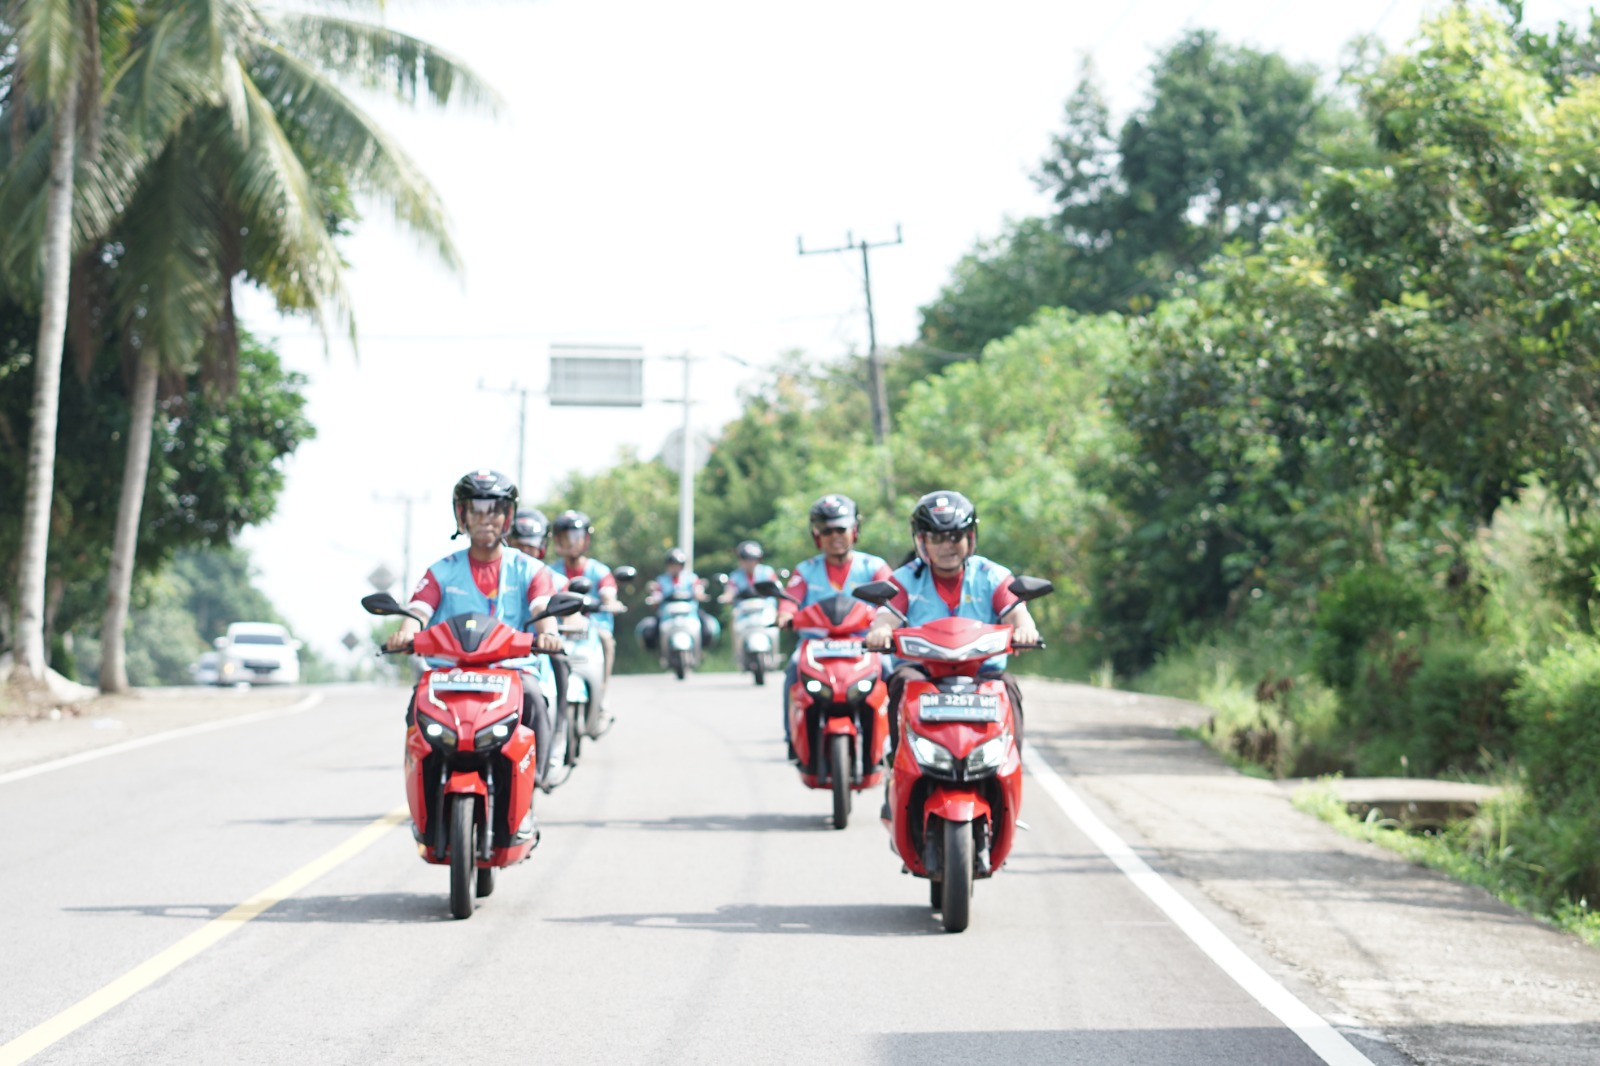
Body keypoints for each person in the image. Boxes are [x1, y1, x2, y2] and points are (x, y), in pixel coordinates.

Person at [387, 471, 565, 786]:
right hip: (450, 675)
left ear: (507, 516)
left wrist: (548, 634)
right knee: (418, 702)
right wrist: (405, 632)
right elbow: (418, 610)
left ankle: (532, 790)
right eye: (476, 509)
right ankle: (421, 785)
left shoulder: (530, 569)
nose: (486, 518)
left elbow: (542, 609)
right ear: (462, 516)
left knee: (535, 699)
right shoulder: (441, 571)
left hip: (513, 673)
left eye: (494, 509)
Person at [864, 490, 1041, 758]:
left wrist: (1026, 629)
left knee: (1007, 686)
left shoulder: (992, 575)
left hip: (982, 672)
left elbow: (1016, 611)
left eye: (955, 536)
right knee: (901, 680)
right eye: (937, 538)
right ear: (922, 541)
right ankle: (899, 761)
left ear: (969, 538)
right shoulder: (905, 578)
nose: (948, 545)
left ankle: (1008, 764)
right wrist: (880, 631)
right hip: (923, 673)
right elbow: (886, 616)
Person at [777, 494, 893, 756]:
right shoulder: (805, 570)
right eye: (826, 531)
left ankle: (893, 740)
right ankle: (792, 739)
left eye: (840, 529)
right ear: (817, 535)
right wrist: (785, 614)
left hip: (865, 644)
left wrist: (883, 626)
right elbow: (790, 600)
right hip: (817, 646)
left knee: (890, 670)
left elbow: (892, 600)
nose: (834, 536)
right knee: (793, 669)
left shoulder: (874, 567)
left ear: (854, 530)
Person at [546, 509, 624, 694]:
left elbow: (608, 592)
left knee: (606, 640)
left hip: (593, 628)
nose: (572, 543)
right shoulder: (549, 572)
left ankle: (602, 693)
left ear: (585, 539)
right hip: (560, 629)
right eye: (567, 538)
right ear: (558, 540)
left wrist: (610, 602)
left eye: (577, 537)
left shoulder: (599, 570)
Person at [636, 547, 720, 651]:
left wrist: (700, 594)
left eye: (677, 565)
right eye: (672, 564)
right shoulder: (661, 580)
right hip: (667, 613)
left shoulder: (691, 578)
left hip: (689, 611)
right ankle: (660, 650)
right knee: (651, 629)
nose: (675, 567)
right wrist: (654, 597)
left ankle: (701, 649)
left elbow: (698, 588)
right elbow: (656, 592)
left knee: (707, 626)